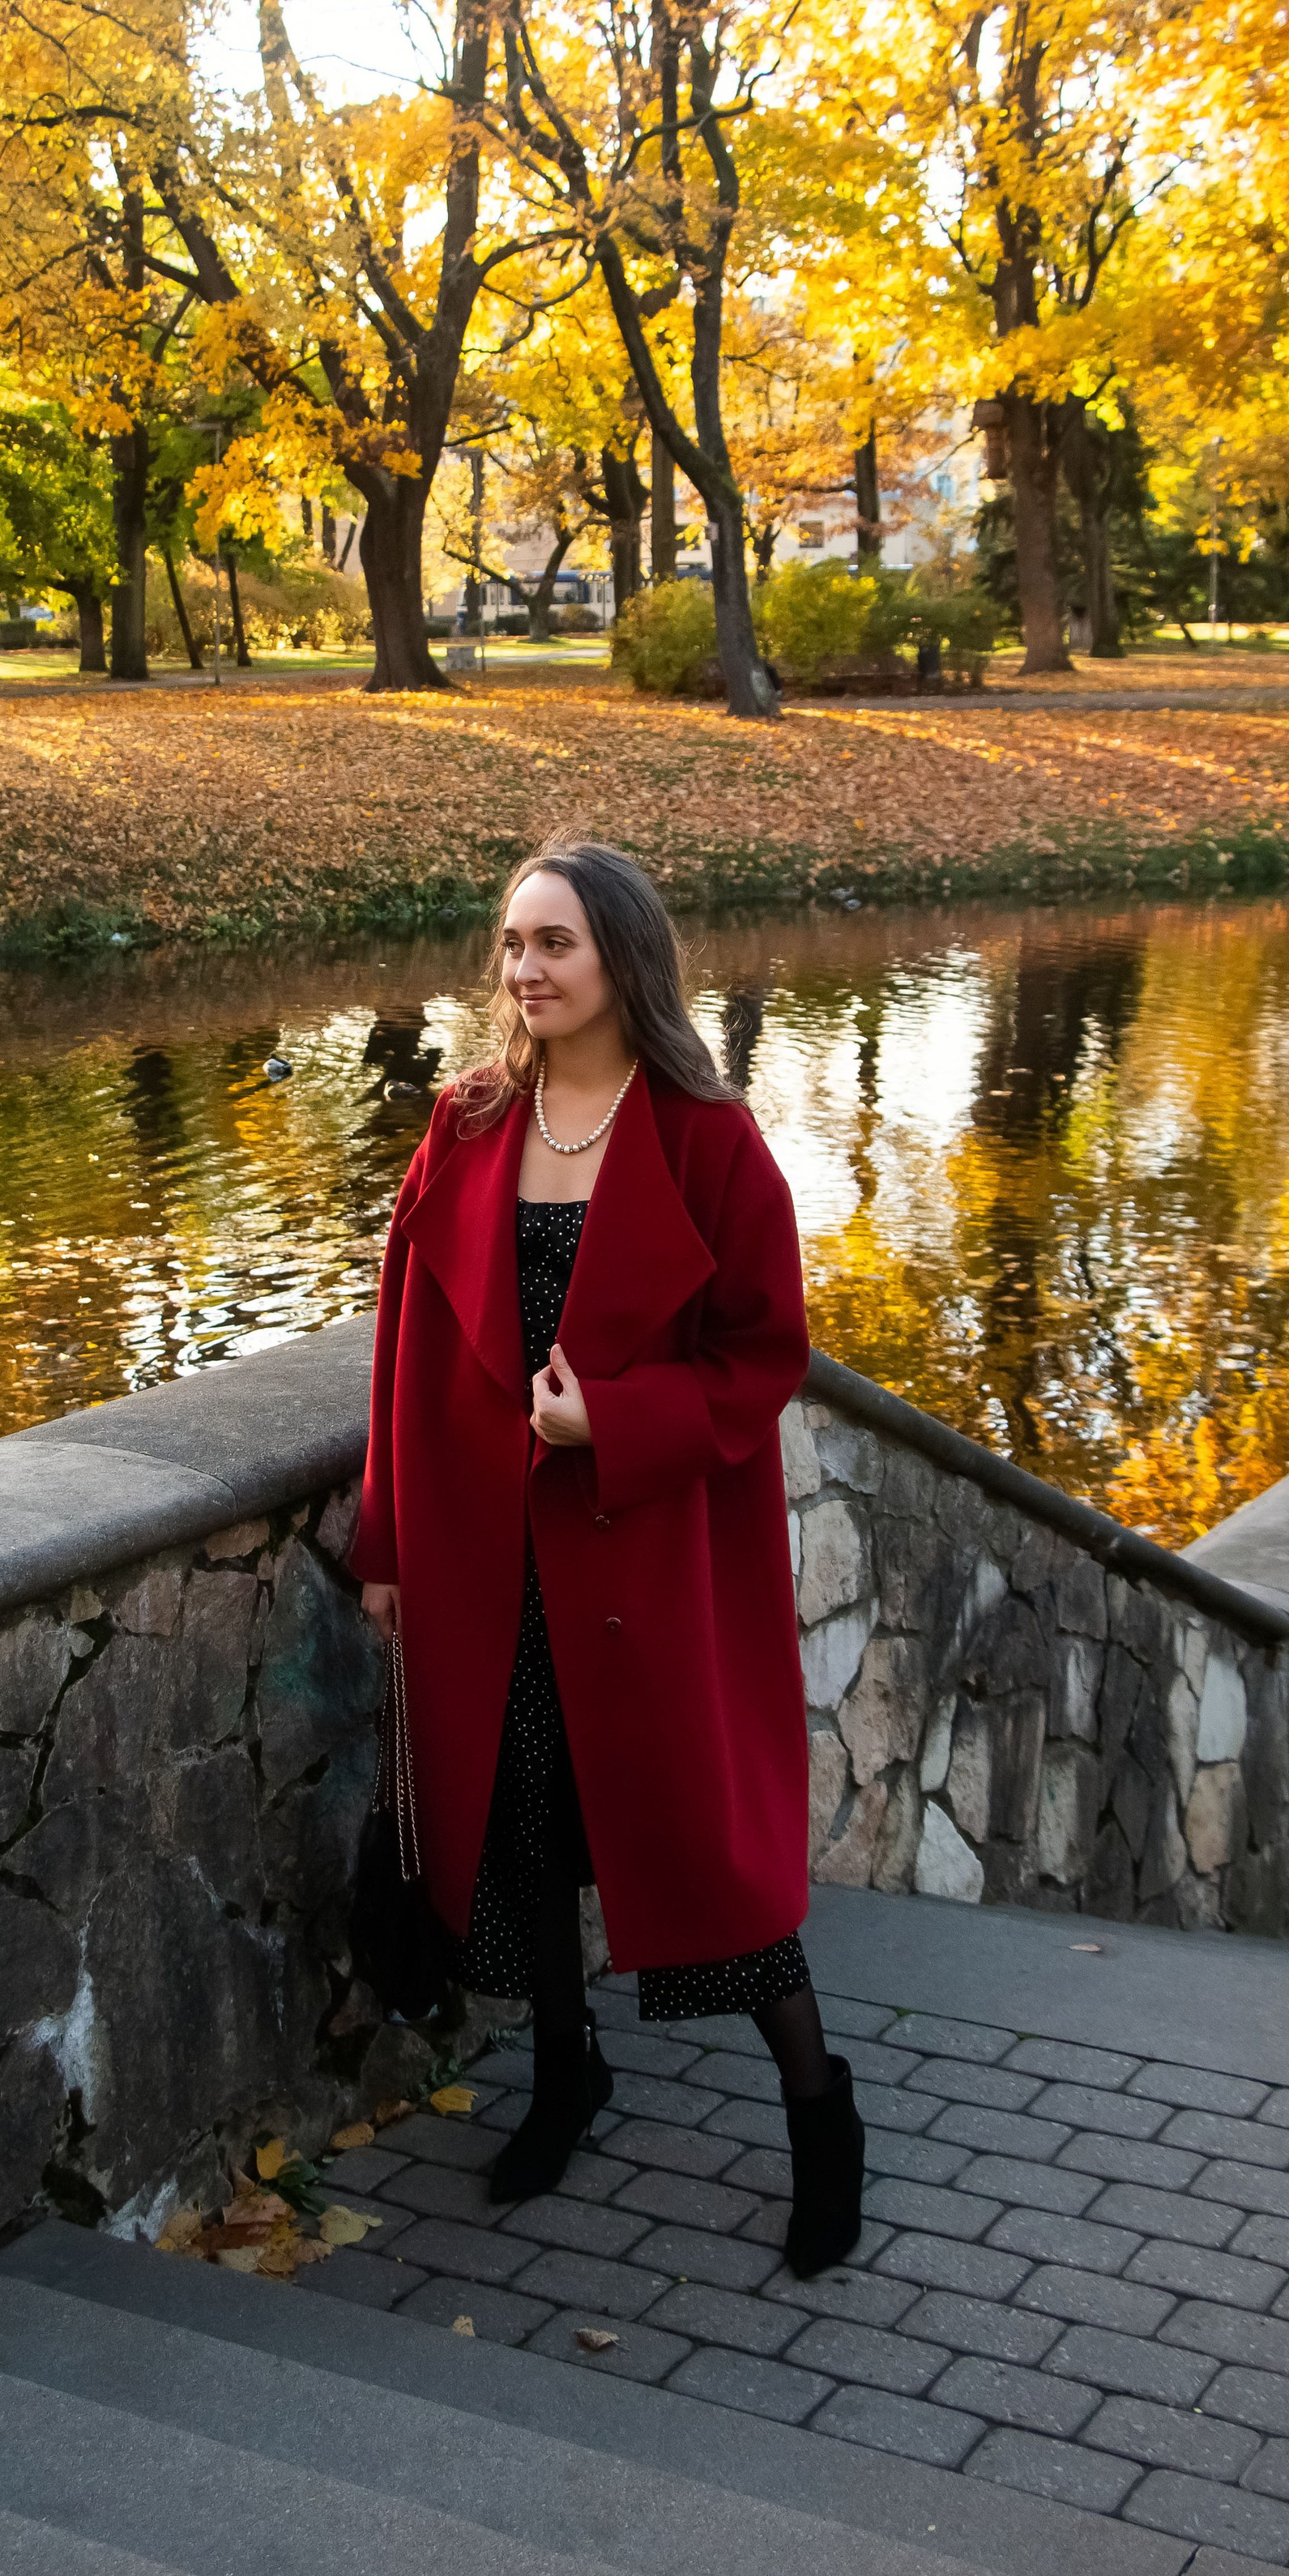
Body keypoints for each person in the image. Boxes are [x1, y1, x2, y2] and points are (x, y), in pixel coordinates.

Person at [350, 838, 866, 2277]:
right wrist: (384, 1541)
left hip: (644, 1564)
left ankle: (821, 2114)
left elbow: (765, 1358)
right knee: (520, 1831)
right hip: (484, 1567)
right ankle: (565, 2075)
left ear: (623, 955)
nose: (526, 972)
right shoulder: (463, 1127)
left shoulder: (710, 1141)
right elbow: (397, 1352)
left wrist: (615, 1423)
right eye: (513, 945)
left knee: (708, 1861)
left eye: (556, 944)